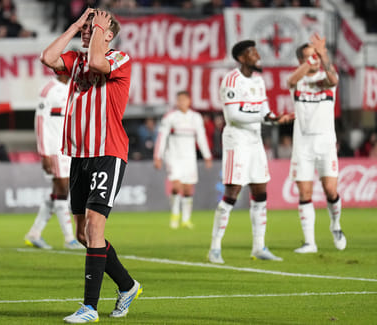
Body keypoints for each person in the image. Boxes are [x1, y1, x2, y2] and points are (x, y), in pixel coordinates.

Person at [40, 8, 142, 323]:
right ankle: (127, 286)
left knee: (96, 228)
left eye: (95, 29)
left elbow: (99, 62)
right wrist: (76, 25)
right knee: (84, 235)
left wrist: (98, 26)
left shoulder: (120, 59)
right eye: (88, 28)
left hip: (108, 151)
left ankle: (90, 308)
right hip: (80, 155)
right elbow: (47, 56)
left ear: (109, 35)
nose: (89, 31)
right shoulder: (75, 61)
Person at [208, 40, 294, 264]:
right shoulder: (231, 80)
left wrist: (275, 119)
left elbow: (264, 110)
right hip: (236, 142)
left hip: (255, 141)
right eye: (253, 52)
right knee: (232, 193)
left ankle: (259, 246)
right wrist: (264, 117)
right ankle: (215, 248)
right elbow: (234, 116)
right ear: (242, 58)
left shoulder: (258, 81)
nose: (258, 55)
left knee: (260, 192)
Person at [287, 34, 346, 253]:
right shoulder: (298, 81)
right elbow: (290, 82)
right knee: (305, 193)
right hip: (302, 144)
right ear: (301, 61)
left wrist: (324, 55)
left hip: (326, 143)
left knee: (330, 190)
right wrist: (308, 64)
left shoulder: (326, 78)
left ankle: (336, 225)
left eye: (315, 56)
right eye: (309, 56)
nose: (314, 60)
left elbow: (334, 80)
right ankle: (310, 242)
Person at [24, 74, 83, 250]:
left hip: (68, 149)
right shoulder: (48, 90)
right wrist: (44, 153)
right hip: (54, 149)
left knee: (58, 192)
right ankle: (69, 238)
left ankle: (34, 233)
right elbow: (40, 122)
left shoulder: (74, 88)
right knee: (63, 190)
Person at [154, 91, 212, 229]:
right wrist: (158, 156)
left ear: (189, 101)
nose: (181, 102)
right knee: (176, 186)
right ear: (176, 101)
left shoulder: (196, 118)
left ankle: (186, 219)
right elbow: (161, 137)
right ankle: (175, 215)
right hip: (173, 156)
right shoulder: (170, 117)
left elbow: (201, 137)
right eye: (179, 100)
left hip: (189, 158)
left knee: (187, 189)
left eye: (184, 100)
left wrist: (207, 155)